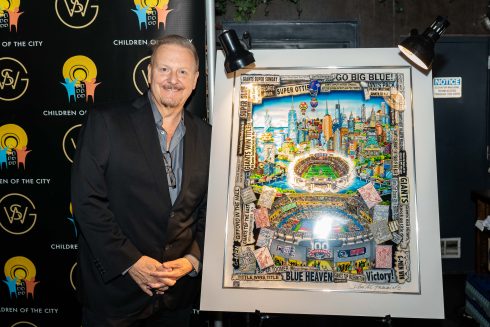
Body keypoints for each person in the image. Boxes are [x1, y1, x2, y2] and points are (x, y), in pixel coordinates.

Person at [71, 34, 211, 326]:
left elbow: (208, 210)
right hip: (115, 299)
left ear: (195, 79)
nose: (173, 79)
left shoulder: (207, 136)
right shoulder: (107, 122)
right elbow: (87, 203)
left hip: (176, 299)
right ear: (149, 73)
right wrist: (131, 263)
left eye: (183, 71)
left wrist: (191, 261)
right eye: (164, 69)